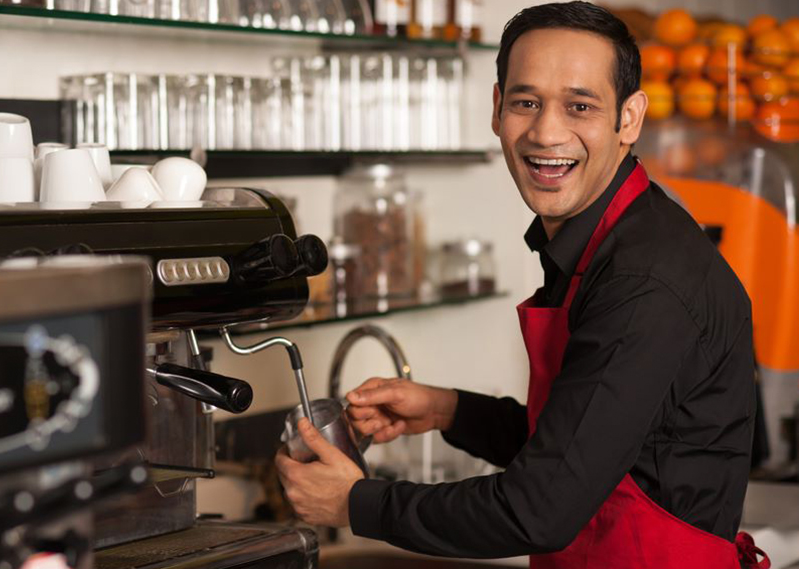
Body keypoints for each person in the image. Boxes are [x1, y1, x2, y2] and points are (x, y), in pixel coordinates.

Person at [275, 2, 769, 568]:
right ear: (497, 109)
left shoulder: (643, 282)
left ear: (629, 118)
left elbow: (539, 509)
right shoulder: (611, 239)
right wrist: (448, 411)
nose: (546, 132)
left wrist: (356, 503)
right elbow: (586, 445)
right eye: (526, 102)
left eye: (580, 106)